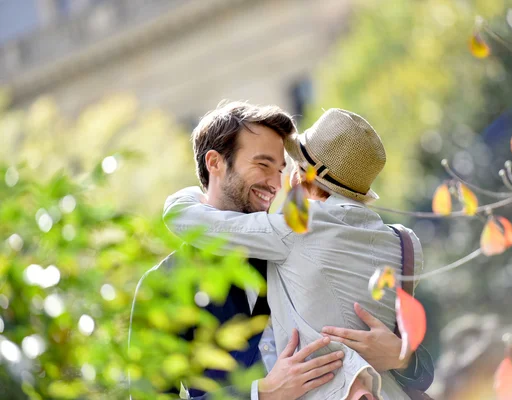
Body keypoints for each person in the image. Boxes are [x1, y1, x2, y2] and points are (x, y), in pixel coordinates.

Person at [164, 102, 434, 399]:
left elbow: (182, 218)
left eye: (285, 168)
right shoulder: (404, 242)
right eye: (263, 165)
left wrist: (192, 194)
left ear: (303, 176)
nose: (279, 183)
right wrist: (259, 394)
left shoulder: (290, 234)